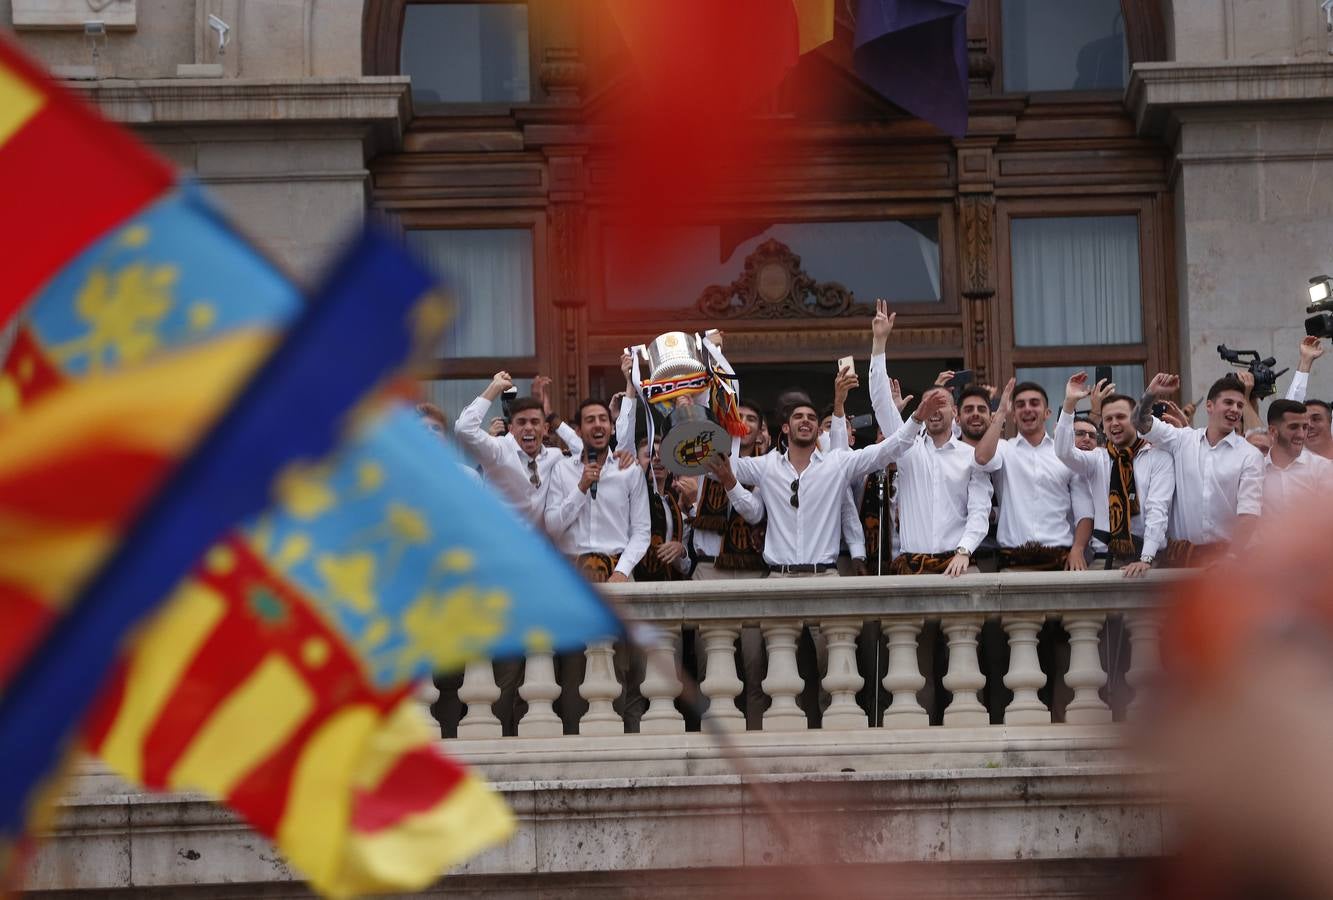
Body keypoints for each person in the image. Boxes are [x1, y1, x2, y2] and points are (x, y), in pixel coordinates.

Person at [868, 351, 992, 576]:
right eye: (928, 405)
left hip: (958, 567)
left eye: (941, 404)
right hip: (914, 569)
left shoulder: (969, 455)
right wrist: (879, 345)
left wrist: (965, 550)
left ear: (954, 412)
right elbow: (880, 404)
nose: (934, 411)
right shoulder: (907, 449)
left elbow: (979, 510)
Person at [1136, 372, 1264, 567]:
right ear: (1209, 406)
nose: (1235, 410)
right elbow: (1139, 423)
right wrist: (1152, 393)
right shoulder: (1182, 439)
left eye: (1240, 405)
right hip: (1180, 559)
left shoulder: (1250, 455)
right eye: (1228, 402)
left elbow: (1249, 516)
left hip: (1225, 562)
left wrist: (1231, 558)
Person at [1054, 374, 1174, 577]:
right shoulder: (1097, 459)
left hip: (1147, 560)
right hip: (1104, 560)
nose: (1114, 423)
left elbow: (1158, 509)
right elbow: (1064, 453)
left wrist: (1146, 558)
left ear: (1135, 419)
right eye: (1108, 419)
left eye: (1121, 417)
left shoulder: (1159, 457)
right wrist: (1069, 405)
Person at [973, 380, 1095, 572]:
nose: (1027, 409)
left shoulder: (1066, 454)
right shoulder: (1004, 449)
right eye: (1020, 405)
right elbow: (980, 457)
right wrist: (1001, 411)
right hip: (1013, 562)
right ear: (1014, 416)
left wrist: (1078, 549)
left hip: (1060, 560)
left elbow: (1085, 511)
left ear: (1047, 413)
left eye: (1034, 403)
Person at [454, 371, 585, 523]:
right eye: (521, 422)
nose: (528, 428)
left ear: (545, 428)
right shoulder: (498, 450)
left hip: (540, 544)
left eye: (535, 422)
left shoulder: (554, 456)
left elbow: (585, 451)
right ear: (511, 428)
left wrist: (550, 415)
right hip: (501, 541)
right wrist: (494, 388)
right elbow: (464, 429)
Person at [543, 399, 651, 583]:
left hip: (617, 575)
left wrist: (622, 571)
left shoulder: (630, 470)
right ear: (578, 430)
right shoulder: (562, 469)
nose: (598, 425)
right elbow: (552, 527)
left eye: (603, 419)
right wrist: (581, 488)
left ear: (611, 427)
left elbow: (641, 531)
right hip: (572, 579)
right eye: (590, 420)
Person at [1263, 398, 1333, 510]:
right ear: (1272, 431)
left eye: (1305, 427)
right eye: (1293, 427)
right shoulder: (1255, 469)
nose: (1301, 434)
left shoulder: (1323, 469)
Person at [1283, 336, 1333, 460]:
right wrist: (1305, 360)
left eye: (1316, 419)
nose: (1309, 425)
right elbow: (1289, 411)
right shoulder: (1294, 462)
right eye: (1304, 422)